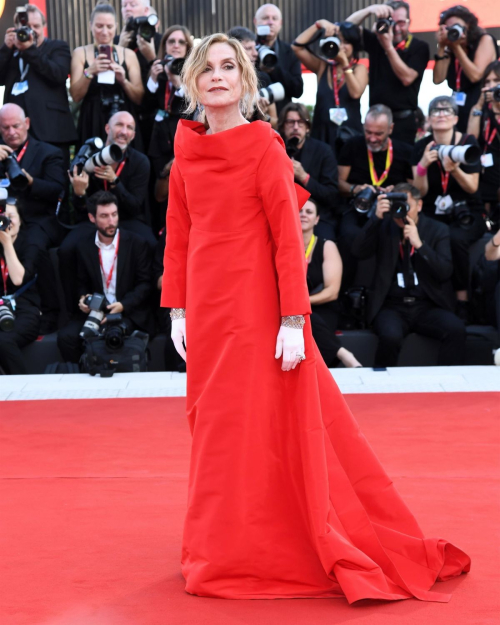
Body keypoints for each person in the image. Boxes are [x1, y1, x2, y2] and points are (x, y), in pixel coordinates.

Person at [161, 31, 470, 603]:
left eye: (230, 66)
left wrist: (293, 322)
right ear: (193, 82)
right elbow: (177, 236)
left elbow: (285, 240)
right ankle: (220, 543)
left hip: (257, 311)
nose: (218, 76)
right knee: (214, 431)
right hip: (204, 310)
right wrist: (176, 306)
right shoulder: (184, 152)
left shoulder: (263, 147)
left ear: (245, 81)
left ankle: (265, 543)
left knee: (263, 428)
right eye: (207, 68)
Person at [352, 183, 465, 367]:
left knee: (456, 330)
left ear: (419, 206)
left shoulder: (437, 229)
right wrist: (374, 218)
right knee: (390, 336)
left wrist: (420, 245)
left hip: (427, 304)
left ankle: (449, 384)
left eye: (406, 206)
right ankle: (382, 386)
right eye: (396, 205)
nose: (401, 211)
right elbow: (357, 251)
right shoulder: (383, 226)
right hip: (391, 305)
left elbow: (445, 272)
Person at [59, 110, 155, 312]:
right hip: (95, 221)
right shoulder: (89, 158)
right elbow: (80, 211)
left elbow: (135, 206)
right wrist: (78, 193)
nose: (124, 131)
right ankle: (73, 309)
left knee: (152, 244)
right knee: (66, 249)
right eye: (119, 125)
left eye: (130, 128)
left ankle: (147, 312)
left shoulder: (140, 162)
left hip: (127, 219)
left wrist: (115, 181)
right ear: (107, 129)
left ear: (134, 135)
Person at [57, 191, 152, 365]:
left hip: (127, 310)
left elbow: (145, 284)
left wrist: (123, 305)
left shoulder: (136, 243)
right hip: (97, 311)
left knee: (114, 335)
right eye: (104, 216)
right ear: (92, 218)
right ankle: (84, 378)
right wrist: (83, 298)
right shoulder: (84, 245)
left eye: (114, 215)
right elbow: (81, 282)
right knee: (66, 338)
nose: (111, 221)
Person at [412, 95, 484, 320]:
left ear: (455, 118)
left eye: (446, 110)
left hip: (468, 211)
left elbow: (472, 187)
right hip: (432, 211)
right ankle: (430, 296)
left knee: (455, 238)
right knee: (426, 234)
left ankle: (462, 299)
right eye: (435, 111)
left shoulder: (468, 142)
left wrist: (453, 169)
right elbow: (419, 193)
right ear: (429, 119)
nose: (441, 114)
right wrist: (423, 165)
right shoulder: (421, 146)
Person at [337, 104, 413, 288]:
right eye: (368, 132)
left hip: (390, 211)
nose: (372, 138)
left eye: (378, 134)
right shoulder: (353, 145)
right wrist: (356, 188)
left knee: (390, 237)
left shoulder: (405, 150)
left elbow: (414, 188)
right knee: (349, 235)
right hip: (358, 207)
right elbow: (339, 183)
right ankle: (349, 289)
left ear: (391, 129)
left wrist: (399, 190)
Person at [0, 3, 77, 166]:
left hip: (50, 130)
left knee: (54, 184)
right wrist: (6, 49)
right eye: (26, 26)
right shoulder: (11, 51)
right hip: (15, 133)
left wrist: (29, 50)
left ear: (44, 26)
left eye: (36, 26)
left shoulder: (57, 47)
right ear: (16, 27)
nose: (31, 30)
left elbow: (58, 74)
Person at [346, 1, 429, 145]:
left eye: (401, 22)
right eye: (391, 22)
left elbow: (407, 78)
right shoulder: (376, 40)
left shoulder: (419, 47)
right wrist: (368, 10)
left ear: (410, 22)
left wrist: (388, 46)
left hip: (403, 122)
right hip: (375, 121)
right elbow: (345, 28)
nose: (396, 28)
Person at [70, 3, 144, 146]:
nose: (104, 32)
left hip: (122, 114)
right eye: (99, 26)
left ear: (116, 26)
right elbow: (76, 96)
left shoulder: (128, 55)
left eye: (109, 27)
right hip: (92, 117)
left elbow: (139, 97)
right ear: (90, 25)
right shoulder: (80, 53)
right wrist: (89, 72)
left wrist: (123, 81)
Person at [301, 198, 362, 367]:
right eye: (299, 211)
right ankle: (341, 353)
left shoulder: (326, 246)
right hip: (291, 308)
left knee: (304, 317)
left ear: (317, 219)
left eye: (309, 212)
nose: (303, 215)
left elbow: (332, 292)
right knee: (300, 316)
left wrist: (300, 303)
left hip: (322, 307)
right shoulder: (281, 245)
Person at [292, 19, 367, 155]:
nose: (342, 46)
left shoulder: (359, 68)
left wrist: (344, 63)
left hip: (350, 135)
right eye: (339, 41)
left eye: (346, 42)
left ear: (354, 45)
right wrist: (318, 25)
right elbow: (297, 47)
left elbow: (355, 93)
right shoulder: (323, 66)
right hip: (322, 135)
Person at [433, 5, 498, 133]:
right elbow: (437, 79)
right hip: (457, 108)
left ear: (468, 26)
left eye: (456, 26)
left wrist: (457, 48)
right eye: (448, 28)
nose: (452, 31)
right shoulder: (449, 47)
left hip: (480, 106)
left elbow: (476, 76)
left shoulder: (484, 40)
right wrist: (441, 47)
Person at [278, 102, 338, 240]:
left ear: (307, 128)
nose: (295, 127)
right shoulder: (275, 150)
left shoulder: (323, 151)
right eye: (290, 122)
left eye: (301, 122)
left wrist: (304, 177)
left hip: (317, 217)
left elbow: (332, 196)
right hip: (283, 215)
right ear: (282, 127)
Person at [0, 198, 42, 375]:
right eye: (3, 217)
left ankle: (21, 386)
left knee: (3, 341)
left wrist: (7, 243)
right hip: (1, 308)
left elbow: (18, 279)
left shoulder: (31, 244)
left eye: (11, 216)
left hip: (25, 308)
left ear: (20, 219)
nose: (7, 221)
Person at [147, 25, 193, 177]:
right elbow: (144, 106)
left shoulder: (193, 72)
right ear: (165, 45)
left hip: (184, 138)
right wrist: (152, 80)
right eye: (171, 41)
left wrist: (178, 83)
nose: (176, 45)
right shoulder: (157, 69)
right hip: (158, 138)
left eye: (181, 42)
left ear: (187, 47)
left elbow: (194, 105)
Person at [116, 0, 162, 151]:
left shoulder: (161, 41)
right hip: (123, 116)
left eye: (133, 4)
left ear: (146, 10)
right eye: (124, 5)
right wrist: (120, 48)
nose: (127, 9)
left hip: (154, 119)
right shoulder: (115, 42)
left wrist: (152, 58)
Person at [253, 3, 303, 115]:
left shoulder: (289, 51)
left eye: (274, 18)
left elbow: (298, 90)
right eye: (265, 18)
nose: (270, 22)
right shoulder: (247, 49)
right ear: (255, 22)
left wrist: (274, 68)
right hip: (253, 116)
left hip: (282, 118)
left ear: (280, 23)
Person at [466, 61, 500, 218]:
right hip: (487, 169)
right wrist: (479, 105)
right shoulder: (481, 108)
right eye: (487, 81)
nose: (491, 85)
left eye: (496, 81)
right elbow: (471, 138)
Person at [227, 26, 278, 127]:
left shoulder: (262, 79)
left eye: (255, 48)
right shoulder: (222, 80)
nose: (255, 53)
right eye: (249, 48)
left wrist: (263, 116)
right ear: (233, 51)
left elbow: (276, 123)